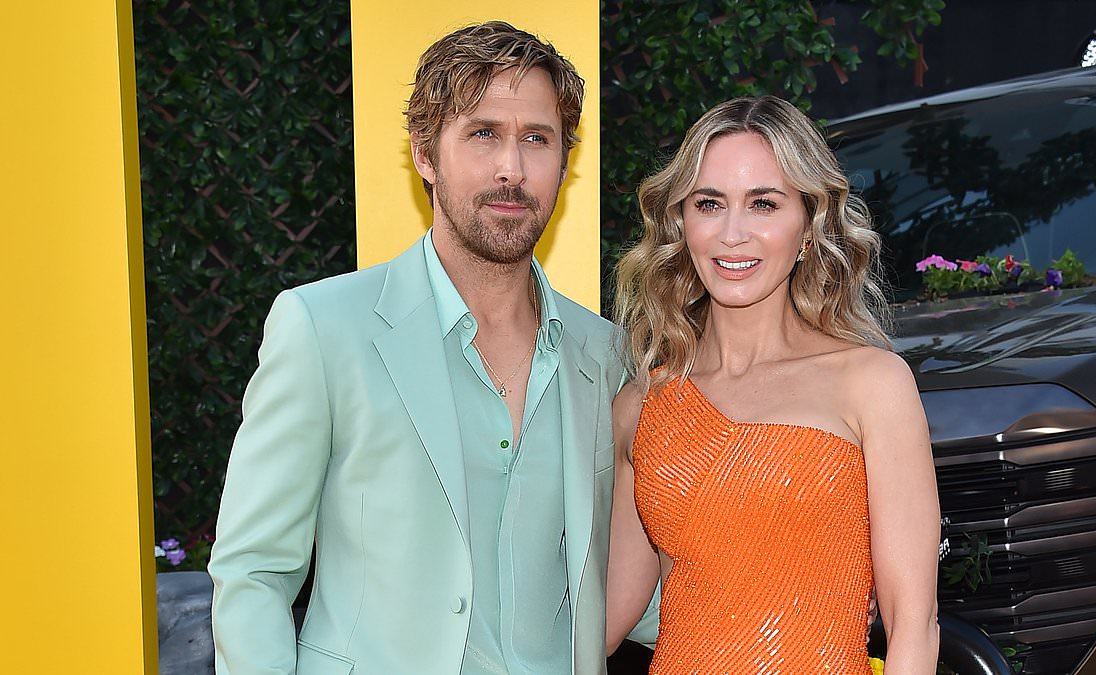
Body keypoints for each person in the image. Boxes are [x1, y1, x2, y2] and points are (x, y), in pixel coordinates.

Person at [209, 21, 638, 674]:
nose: (512, 169)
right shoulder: (323, 328)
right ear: (424, 154)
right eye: (483, 133)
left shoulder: (604, 353)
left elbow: (633, 570)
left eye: (537, 139)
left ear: (564, 159)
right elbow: (254, 571)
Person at [605, 96, 941, 674]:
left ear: (808, 226)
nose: (733, 233)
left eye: (763, 204)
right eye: (709, 203)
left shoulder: (871, 385)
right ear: (681, 224)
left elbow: (914, 625)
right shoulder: (642, 406)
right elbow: (597, 625)